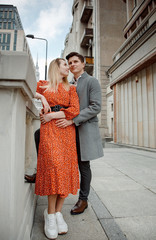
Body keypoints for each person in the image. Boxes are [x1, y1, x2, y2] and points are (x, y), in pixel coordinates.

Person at [34, 58, 80, 239]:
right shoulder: (44, 85)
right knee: (53, 168)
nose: (68, 68)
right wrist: (42, 97)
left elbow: (75, 109)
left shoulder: (72, 88)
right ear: (56, 67)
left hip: (65, 130)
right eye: (65, 65)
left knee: (65, 171)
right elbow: (29, 87)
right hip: (49, 132)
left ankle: (58, 213)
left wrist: (52, 115)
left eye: (69, 65)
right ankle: (50, 215)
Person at [56, 52, 104, 215]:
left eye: (76, 61)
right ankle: (39, 173)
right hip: (67, 129)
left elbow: (95, 107)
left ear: (83, 64)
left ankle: (83, 200)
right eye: (69, 62)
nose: (72, 64)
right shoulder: (67, 84)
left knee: (84, 165)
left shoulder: (92, 81)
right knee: (40, 137)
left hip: (84, 130)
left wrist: (73, 120)